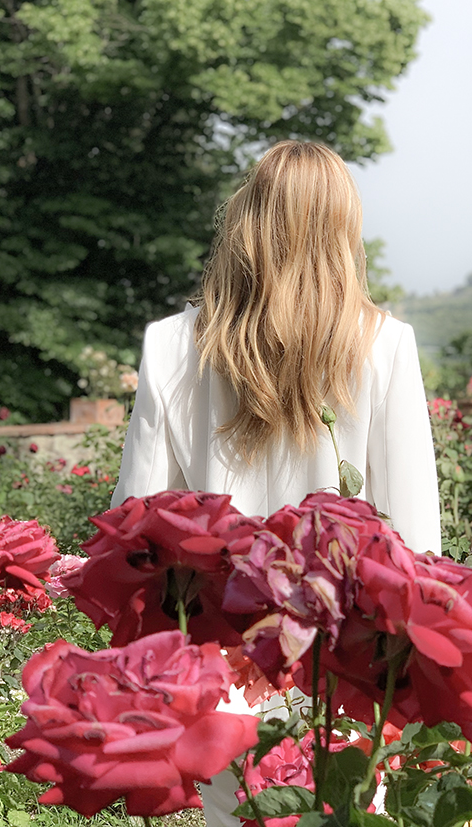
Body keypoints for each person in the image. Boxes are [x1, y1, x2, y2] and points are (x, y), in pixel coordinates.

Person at [109, 138, 441, 825]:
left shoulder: (173, 346)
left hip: (219, 666)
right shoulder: (384, 346)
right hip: (348, 663)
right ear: (344, 229)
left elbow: (134, 528)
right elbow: (416, 544)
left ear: (247, 220)